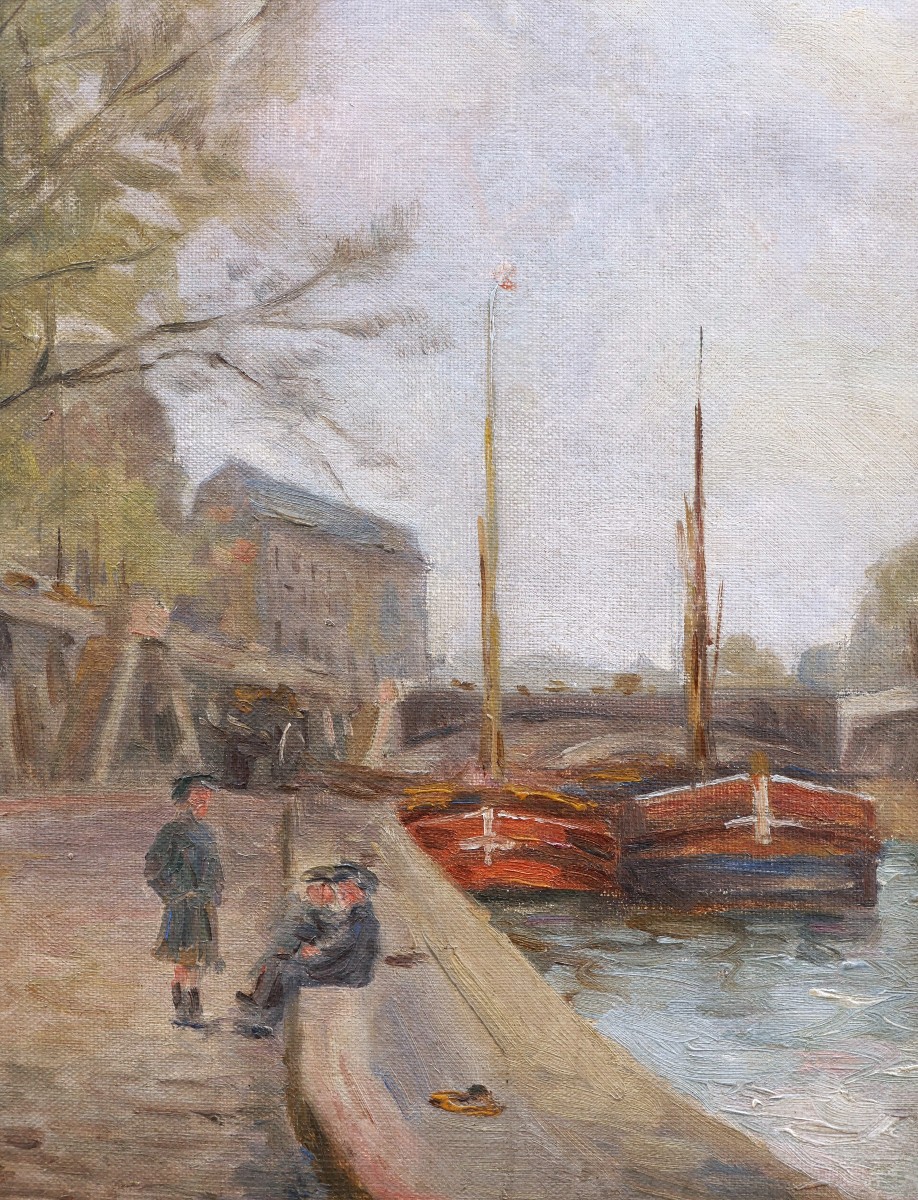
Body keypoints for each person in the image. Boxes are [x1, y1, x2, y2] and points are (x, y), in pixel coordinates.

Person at [236, 861, 380, 1036]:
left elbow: (340, 941)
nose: (342, 894)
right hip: (338, 963)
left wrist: (316, 949)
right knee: (276, 961)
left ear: (361, 892)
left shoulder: (362, 916)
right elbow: (334, 933)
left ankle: (267, 1023)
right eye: (341, 890)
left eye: (347, 890)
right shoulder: (352, 912)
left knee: (290, 971)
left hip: (347, 971)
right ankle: (257, 1005)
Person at [145, 774, 224, 1026]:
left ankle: (194, 1007)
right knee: (183, 959)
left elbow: (215, 869)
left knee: (200, 959)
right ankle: (182, 1010)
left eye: (206, 794)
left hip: (203, 906)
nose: (203, 798)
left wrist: (212, 892)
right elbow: (152, 870)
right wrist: (176, 894)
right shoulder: (171, 831)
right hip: (181, 907)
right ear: (185, 796)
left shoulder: (208, 833)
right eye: (197, 792)